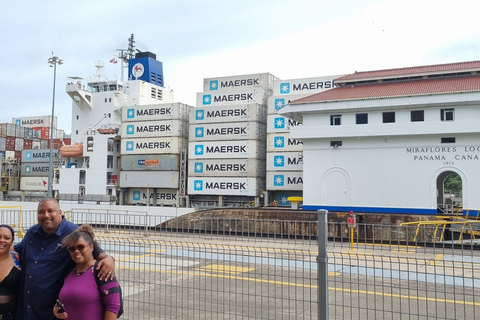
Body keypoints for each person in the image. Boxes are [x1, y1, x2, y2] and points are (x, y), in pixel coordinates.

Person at [13, 198, 115, 320]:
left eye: (51, 211)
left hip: (53, 312)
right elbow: (15, 250)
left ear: (60, 212)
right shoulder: (31, 233)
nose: (46, 215)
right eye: (41, 212)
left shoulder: (73, 232)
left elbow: (98, 253)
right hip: (27, 308)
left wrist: (110, 259)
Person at [53, 224, 120, 320]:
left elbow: (113, 305)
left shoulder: (102, 270)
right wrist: (56, 311)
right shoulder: (69, 272)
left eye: (80, 247)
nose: (76, 251)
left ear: (91, 247)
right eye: (72, 249)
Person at [0, 225, 21, 319]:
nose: (2, 240)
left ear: (12, 241)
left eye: (7, 238)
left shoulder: (19, 259)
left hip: (10, 316)